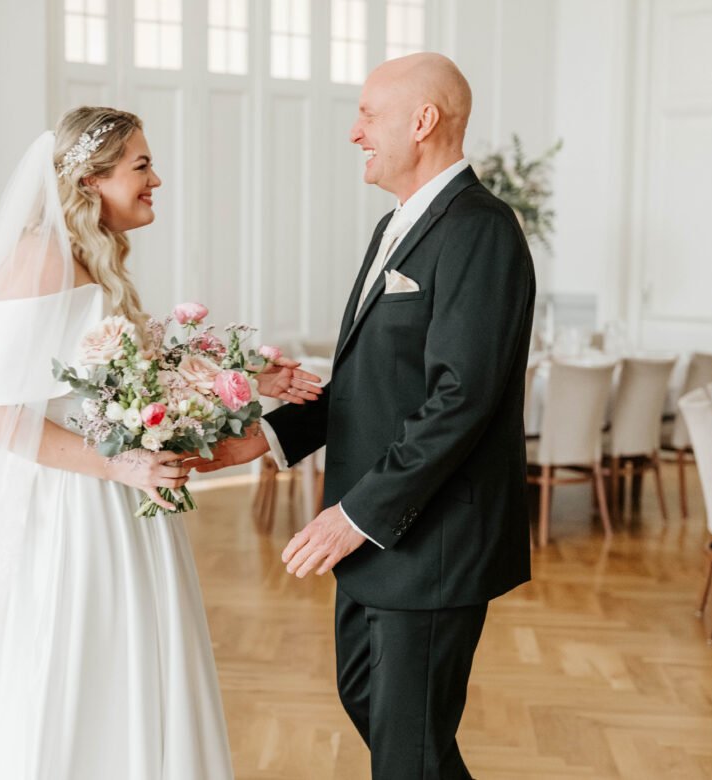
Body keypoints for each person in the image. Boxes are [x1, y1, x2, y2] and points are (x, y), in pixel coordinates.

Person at [0, 106, 320, 779]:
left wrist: (247, 378)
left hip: (117, 498)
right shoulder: (40, 258)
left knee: (129, 665)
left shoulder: (89, 257)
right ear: (92, 180)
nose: (156, 180)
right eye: (142, 166)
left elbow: (127, 382)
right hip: (69, 509)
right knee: (70, 668)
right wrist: (121, 466)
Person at [192, 54, 536, 779]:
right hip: (378, 536)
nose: (354, 133)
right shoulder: (394, 225)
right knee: (375, 711)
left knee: (407, 751)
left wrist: (354, 515)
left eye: (368, 115)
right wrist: (262, 439)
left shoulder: (480, 228)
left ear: (423, 121)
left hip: (430, 538)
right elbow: (368, 385)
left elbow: (461, 398)